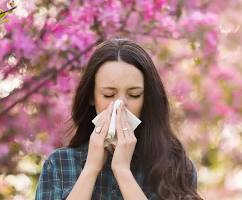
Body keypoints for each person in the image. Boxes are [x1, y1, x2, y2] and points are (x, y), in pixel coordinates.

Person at [35, 38, 203, 200]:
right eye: (109, 94)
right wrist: (91, 169)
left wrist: (122, 171)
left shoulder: (176, 169)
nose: (120, 105)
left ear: (147, 99)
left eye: (134, 94)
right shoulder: (59, 164)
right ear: (91, 97)